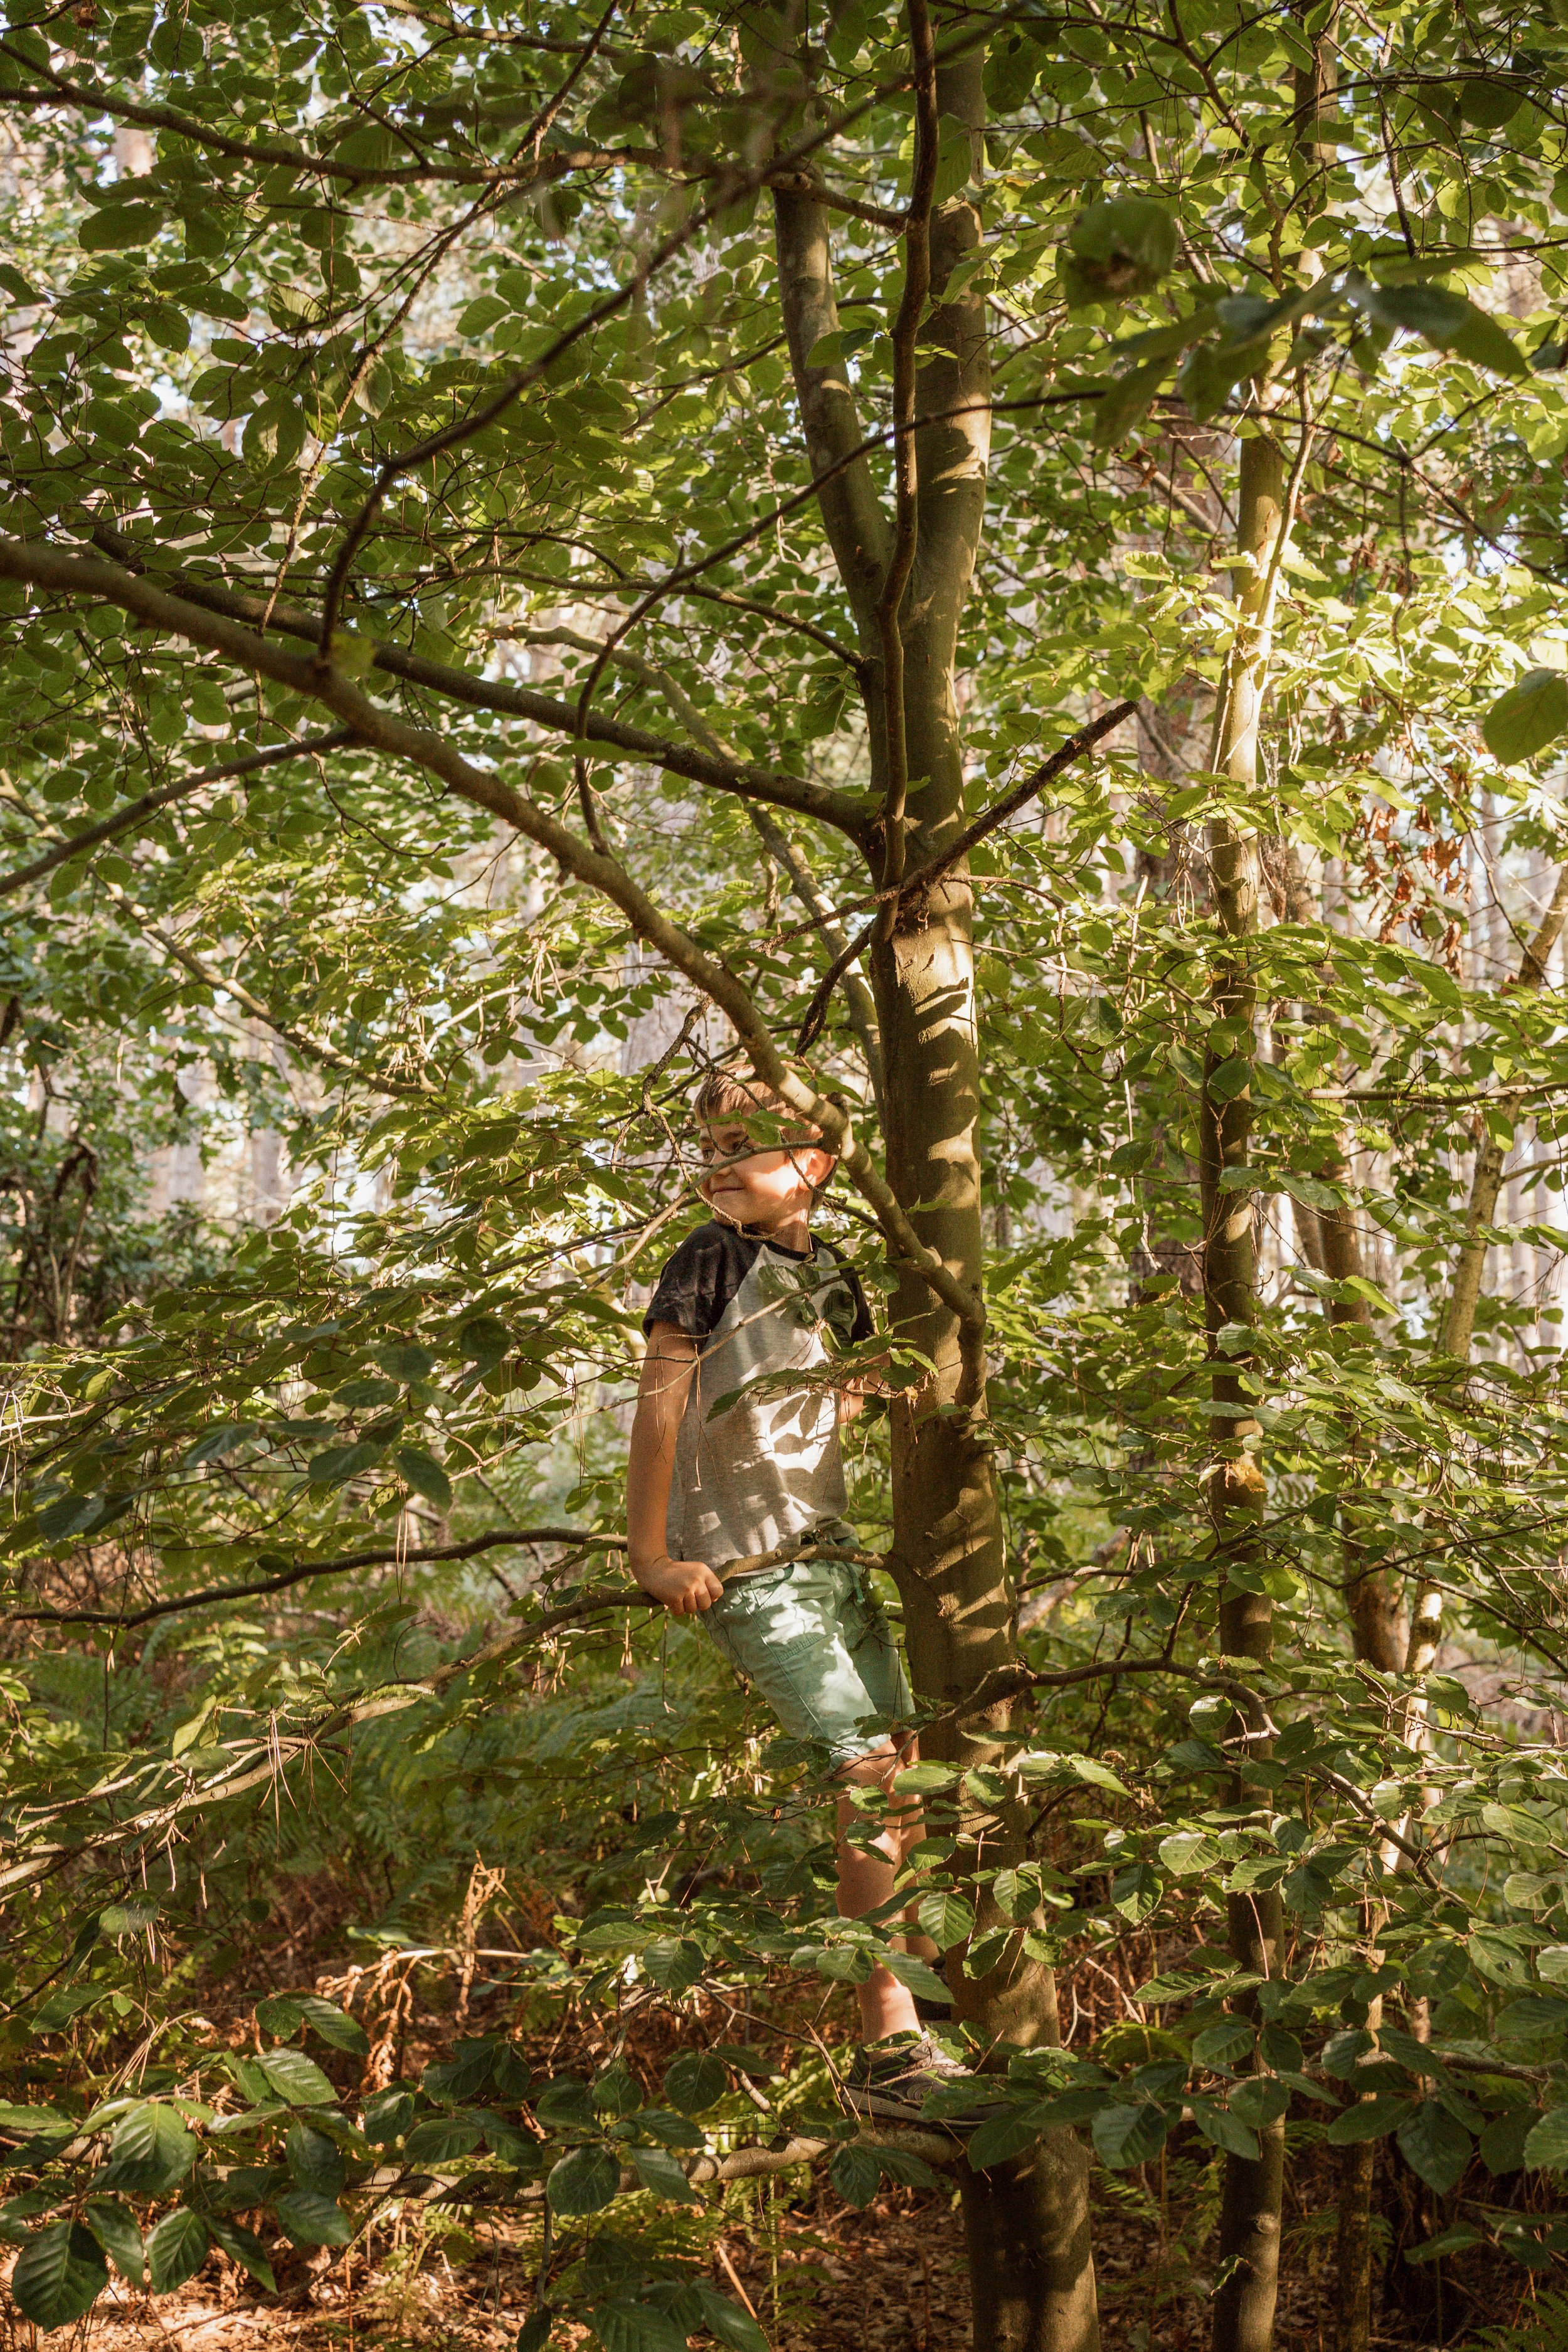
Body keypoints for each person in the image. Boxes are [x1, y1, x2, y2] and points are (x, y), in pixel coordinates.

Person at [625, 1066, 975, 2119]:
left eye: (747, 1142)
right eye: (710, 1142)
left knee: (903, 1765)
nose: (719, 1160)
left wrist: (894, 1380)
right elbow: (658, 1407)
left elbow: (834, 1391)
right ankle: (888, 2047)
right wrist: (650, 1556)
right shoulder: (706, 1260)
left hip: (827, 1549)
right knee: (864, 1769)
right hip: (740, 1560)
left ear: (815, 1165)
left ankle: (924, 1993)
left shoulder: (835, 1273)